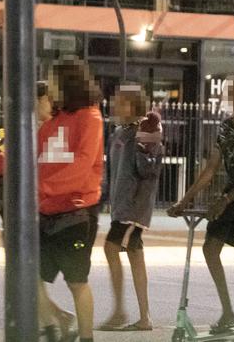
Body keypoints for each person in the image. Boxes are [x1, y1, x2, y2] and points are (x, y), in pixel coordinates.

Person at [0, 81, 78, 342]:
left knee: (27, 274)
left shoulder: (51, 131)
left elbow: (12, 161)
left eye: (46, 100)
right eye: (44, 99)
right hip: (25, 210)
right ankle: (53, 323)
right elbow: (8, 160)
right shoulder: (31, 129)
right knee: (29, 275)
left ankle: (55, 322)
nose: (47, 104)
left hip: (36, 213)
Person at [167, 76, 234, 342]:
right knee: (210, 248)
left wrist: (223, 200)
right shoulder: (226, 127)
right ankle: (227, 311)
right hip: (232, 193)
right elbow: (211, 168)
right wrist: (185, 201)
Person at [37, 56, 104, 342]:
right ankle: (60, 322)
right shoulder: (54, 122)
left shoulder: (90, 117)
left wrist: (45, 187)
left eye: (53, 80)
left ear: (66, 82)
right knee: (30, 277)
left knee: (77, 281)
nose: (49, 86)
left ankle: (85, 337)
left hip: (77, 212)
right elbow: (30, 159)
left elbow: (84, 163)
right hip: (47, 211)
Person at [99, 84, 164, 331]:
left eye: (121, 101)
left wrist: (143, 142)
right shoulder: (118, 134)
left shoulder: (145, 130)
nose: (114, 105)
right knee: (136, 256)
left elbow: (149, 169)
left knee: (110, 248)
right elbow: (112, 172)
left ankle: (120, 311)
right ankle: (143, 317)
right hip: (121, 206)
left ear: (134, 105)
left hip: (133, 209)